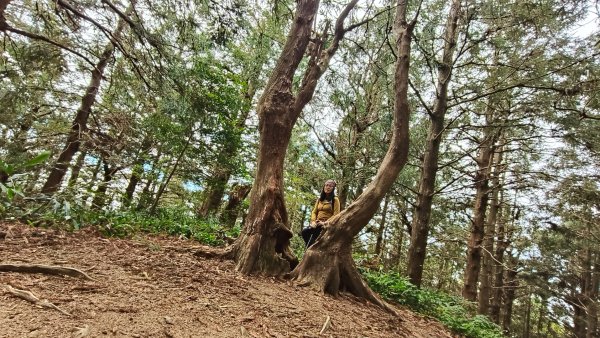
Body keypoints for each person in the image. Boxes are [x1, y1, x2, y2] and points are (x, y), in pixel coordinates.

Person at [301, 179, 341, 248]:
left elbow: (336, 215)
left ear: (333, 188)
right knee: (305, 232)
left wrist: (324, 223)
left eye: (330, 186)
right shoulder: (319, 199)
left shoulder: (335, 200)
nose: (328, 187)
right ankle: (311, 250)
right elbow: (314, 211)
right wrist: (313, 221)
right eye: (326, 185)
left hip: (326, 224)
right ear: (324, 186)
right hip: (316, 223)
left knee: (315, 236)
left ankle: (312, 250)